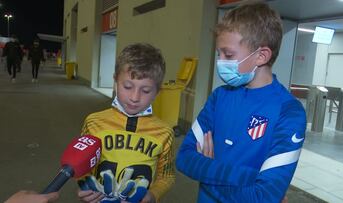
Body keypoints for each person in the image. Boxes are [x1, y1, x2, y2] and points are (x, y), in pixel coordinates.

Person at [176, 2, 306, 203]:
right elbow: (184, 158)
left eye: (228, 55)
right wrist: (250, 177)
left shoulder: (289, 112)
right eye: (219, 53)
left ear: (261, 56)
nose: (220, 61)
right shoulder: (219, 96)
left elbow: (263, 196)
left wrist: (207, 169)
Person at [77, 43, 175, 203]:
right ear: (115, 80)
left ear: (157, 92)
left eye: (145, 91)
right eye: (128, 86)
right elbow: (81, 163)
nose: (135, 97)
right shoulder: (93, 122)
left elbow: (167, 176)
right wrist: (85, 184)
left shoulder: (164, 132)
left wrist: (152, 195)